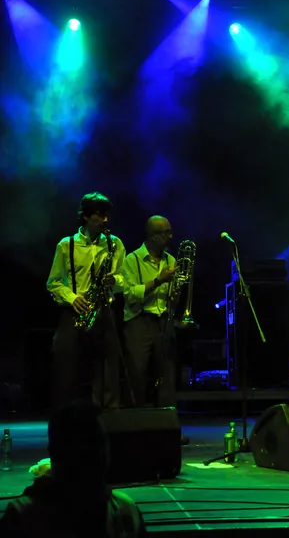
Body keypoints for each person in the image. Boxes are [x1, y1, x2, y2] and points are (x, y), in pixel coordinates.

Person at [0, 399, 146, 538]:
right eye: (85, 446)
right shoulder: (22, 517)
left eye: (98, 442)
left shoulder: (127, 511)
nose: (95, 452)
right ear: (56, 453)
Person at [46, 192, 126, 409]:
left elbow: (124, 280)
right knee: (66, 367)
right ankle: (67, 416)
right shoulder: (66, 245)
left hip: (105, 311)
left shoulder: (114, 244)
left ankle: (107, 416)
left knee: (108, 369)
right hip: (74, 311)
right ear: (85, 217)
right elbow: (53, 282)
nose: (105, 220)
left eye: (106, 215)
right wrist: (73, 298)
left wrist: (114, 280)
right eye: (99, 216)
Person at [122, 216, 177, 409]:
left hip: (163, 321)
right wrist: (158, 281)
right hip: (139, 321)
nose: (170, 236)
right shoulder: (132, 259)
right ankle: (137, 423)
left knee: (166, 375)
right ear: (153, 236)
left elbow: (171, 297)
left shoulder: (171, 259)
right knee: (137, 373)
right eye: (165, 232)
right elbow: (129, 295)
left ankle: (167, 424)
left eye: (170, 231)